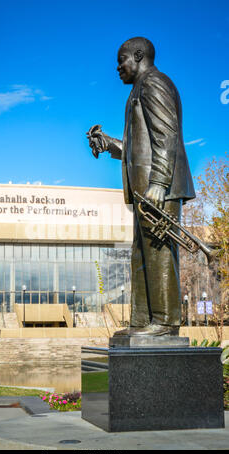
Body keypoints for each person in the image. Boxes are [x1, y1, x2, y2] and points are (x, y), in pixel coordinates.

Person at [87, 37, 195, 336]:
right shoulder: (139, 88)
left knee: (158, 252)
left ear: (138, 56)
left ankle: (164, 323)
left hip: (157, 189)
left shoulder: (154, 83)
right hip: (146, 190)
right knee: (142, 254)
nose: (118, 66)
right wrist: (111, 144)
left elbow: (166, 136)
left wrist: (159, 182)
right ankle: (142, 321)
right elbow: (141, 148)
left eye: (122, 59)